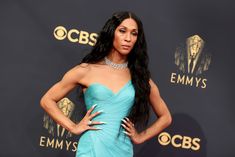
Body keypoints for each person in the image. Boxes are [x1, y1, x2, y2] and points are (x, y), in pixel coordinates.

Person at [40, 11, 172, 157]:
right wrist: (73, 127)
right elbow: (47, 100)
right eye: (122, 31)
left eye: (134, 34)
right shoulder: (86, 70)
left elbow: (165, 117)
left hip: (122, 150)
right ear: (111, 33)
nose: (128, 38)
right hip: (91, 148)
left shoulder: (140, 77)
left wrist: (139, 137)